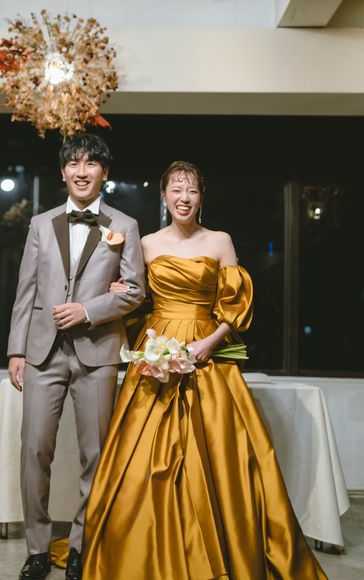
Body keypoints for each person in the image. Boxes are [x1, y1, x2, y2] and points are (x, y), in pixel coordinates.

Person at [82, 161, 327, 579]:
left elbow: (235, 307)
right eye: (176, 190)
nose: (184, 198)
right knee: (143, 454)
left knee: (219, 452)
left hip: (206, 351)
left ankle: (220, 545)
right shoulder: (147, 243)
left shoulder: (220, 241)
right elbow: (138, 299)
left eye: (191, 190)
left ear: (201, 197)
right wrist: (119, 290)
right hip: (156, 350)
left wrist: (209, 342)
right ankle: (140, 550)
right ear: (164, 196)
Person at [7, 133, 145, 580]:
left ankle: (83, 546)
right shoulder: (40, 223)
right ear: (63, 171)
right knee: (34, 450)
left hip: (98, 353)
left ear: (105, 173)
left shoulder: (125, 225)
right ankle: (37, 549)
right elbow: (26, 291)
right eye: (73, 163)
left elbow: (136, 291)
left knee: (95, 454)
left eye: (90, 164)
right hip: (42, 352)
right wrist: (16, 349)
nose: (81, 171)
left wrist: (89, 310)